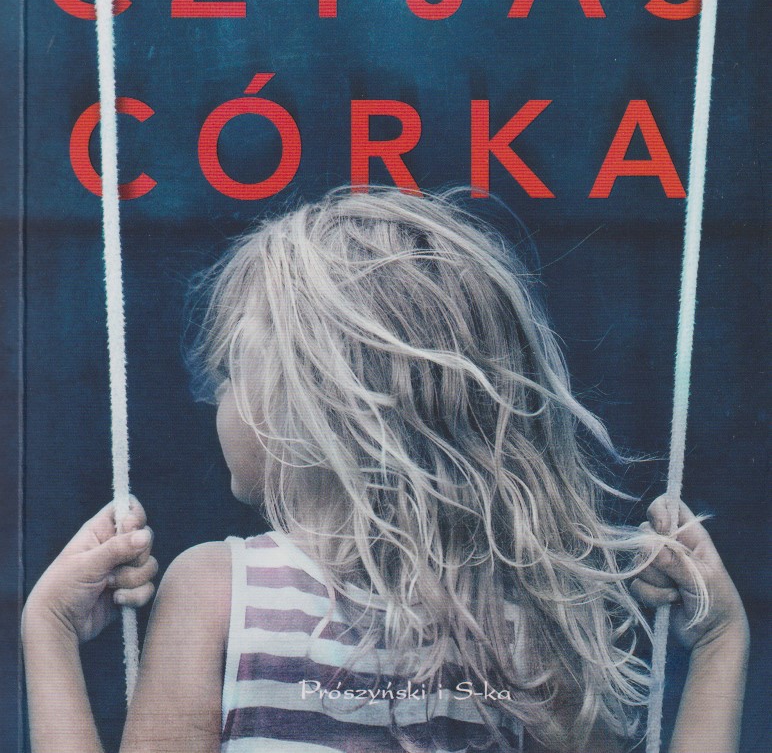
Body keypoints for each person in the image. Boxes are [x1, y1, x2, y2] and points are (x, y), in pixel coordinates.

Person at [22, 189, 749, 752]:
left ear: (309, 403)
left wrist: (49, 630)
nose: (214, 397)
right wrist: (720, 644)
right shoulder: (531, 625)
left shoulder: (218, 590)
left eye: (229, 371)